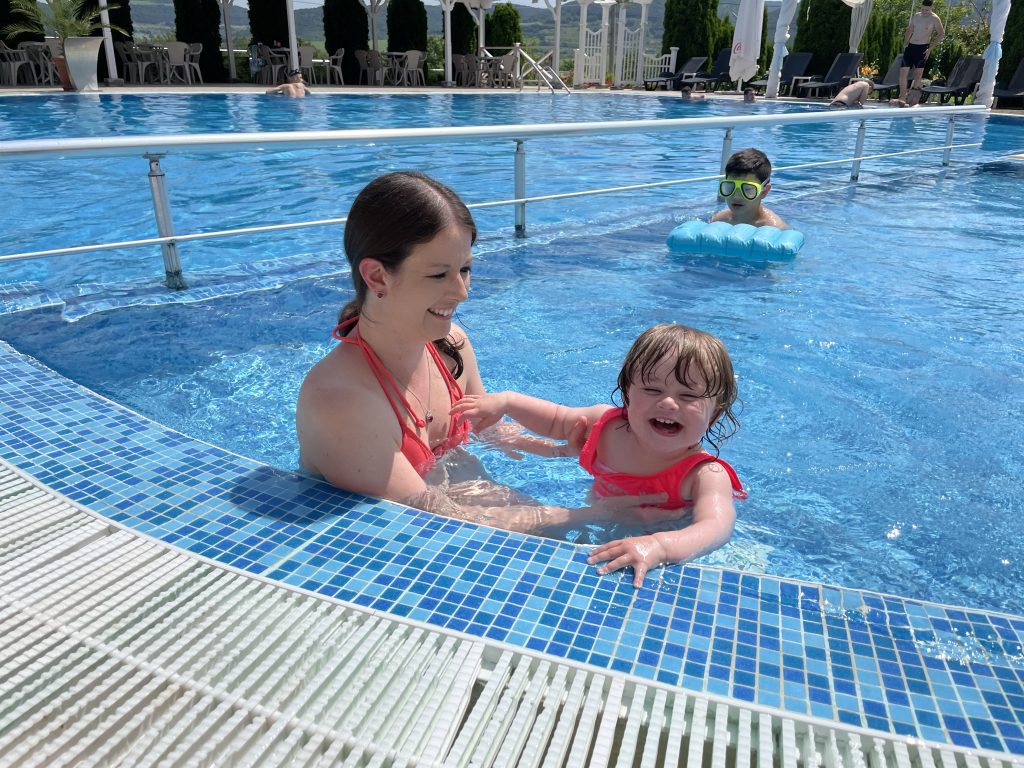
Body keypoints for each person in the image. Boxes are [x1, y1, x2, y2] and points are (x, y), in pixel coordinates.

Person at [296, 172, 665, 532]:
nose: (462, 292)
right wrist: (593, 516)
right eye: (440, 275)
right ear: (377, 277)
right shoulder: (341, 401)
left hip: (459, 497)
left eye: (466, 269)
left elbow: (483, 425)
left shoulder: (448, 345)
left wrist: (556, 449)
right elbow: (427, 518)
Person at [450, 323, 747, 587]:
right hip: (598, 520)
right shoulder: (607, 427)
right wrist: (507, 402)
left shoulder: (705, 475)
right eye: (651, 389)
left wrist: (660, 546)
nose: (668, 403)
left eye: (688, 396)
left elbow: (715, 527)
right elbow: (555, 419)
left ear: (714, 414)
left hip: (664, 545)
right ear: (627, 394)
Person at [711, 148, 789, 229]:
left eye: (747, 189)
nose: (736, 196)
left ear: (764, 191)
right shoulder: (719, 220)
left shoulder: (774, 228)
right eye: (730, 187)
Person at [899, 0, 945, 101]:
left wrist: (930, 49)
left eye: (927, 10)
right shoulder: (917, 16)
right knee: (903, 72)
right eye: (923, 9)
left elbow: (941, 34)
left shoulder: (934, 19)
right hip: (911, 46)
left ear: (931, 8)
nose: (924, 12)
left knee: (918, 74)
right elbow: (910, 29)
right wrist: (905, 43)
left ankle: (912, 98)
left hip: (922, 48)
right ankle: (902, 97)